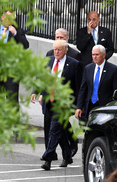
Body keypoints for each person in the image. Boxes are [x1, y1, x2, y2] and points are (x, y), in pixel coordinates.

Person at [32, 40, 82, 170]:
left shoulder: (74, 64)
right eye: (55, 50)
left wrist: (77, 105)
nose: (57, 52)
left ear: (65, 50)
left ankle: (48, 158)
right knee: (60, 130)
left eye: (59, 50)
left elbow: (78, 87)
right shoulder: (48, 61)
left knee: (54, 129)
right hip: (50, 101)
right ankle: (67, 156)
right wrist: (35, 92)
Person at [45, 28, 82, 157]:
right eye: (57, 37)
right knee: (55, 125)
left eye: (61, 38)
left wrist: (78, 104)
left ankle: (49, 154)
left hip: (65, 101)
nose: (59, 40)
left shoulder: (74, 57)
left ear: (66, 39)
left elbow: (78, 84)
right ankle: (64, 153)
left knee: (56, 127)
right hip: (50, 98)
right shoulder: (50, 55)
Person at [75, 44, 117, 123]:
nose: (94, 57)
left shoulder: (114, 70)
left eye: (97, 55)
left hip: (104, 106)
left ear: (104, 55)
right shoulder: (88, 68)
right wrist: (79, 107)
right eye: (93, 55)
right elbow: (83, 89)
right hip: (89, 105)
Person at [0, 10, 29, 103]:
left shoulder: (18, 30)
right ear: (2, 17)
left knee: (12, 100)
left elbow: (25, 45)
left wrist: (15, 33)